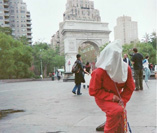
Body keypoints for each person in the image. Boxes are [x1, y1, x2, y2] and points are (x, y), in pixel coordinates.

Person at [89, 40, 135, 133]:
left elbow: (130, 87)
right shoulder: (99, 72)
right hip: (103, 97)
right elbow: (93, 91)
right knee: (116, 111)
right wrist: (111, 97)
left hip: (119, 97)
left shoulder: (126, 69)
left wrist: (123, 99)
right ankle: (109, 129)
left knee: (121, 112)